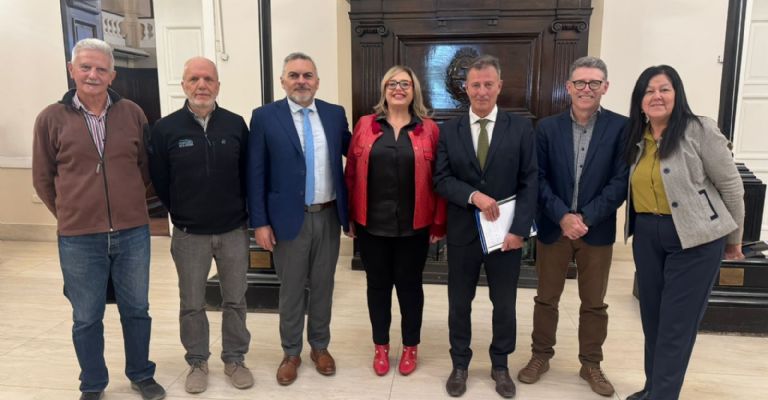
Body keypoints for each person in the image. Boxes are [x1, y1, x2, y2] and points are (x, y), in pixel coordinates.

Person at [31, 38, 165, 400]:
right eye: (86, 67)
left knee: (136, 309)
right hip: (79, 238)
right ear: (71, 70)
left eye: (101, 69)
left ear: (112, 75)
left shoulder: (132, 113)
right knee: (86, 316)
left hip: (132, 233)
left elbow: (145, 168)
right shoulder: (50, 118)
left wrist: (128, 203)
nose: (93, 74)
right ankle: (92, 383)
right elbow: (43, 178)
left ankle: (141, 373)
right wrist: (71, 214)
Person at [623, 65, 745, 400]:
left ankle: (663, 395)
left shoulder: (699, 130)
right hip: (647, 234)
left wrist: (734, 239)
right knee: (652, 319)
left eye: (664, 89)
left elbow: (732, 187)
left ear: (677, 94)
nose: (656, 96)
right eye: (649, 91)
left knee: (676, 324)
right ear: (639, 99)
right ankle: (653, 388)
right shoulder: (638, 136)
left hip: (696, 238)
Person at [517, 56, 628, 396]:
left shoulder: (621, 128)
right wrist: (563, 216)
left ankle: (591, 364)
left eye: (594, 82)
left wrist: (586, 218)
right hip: (555, 227)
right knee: (546, 299)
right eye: (580, 82)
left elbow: (621, 181)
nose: (586, 88)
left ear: (605, 87)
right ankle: (540, 356)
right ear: (568, 87)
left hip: (597, 230)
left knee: (594, 303)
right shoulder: (547, 128)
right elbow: (538, 178)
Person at [146, 57, 253, 393]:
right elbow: (160, 180)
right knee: (192, 302)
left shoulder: (235, 124)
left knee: (235, 299)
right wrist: (183, 211)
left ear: (218, 85)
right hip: (189, 234)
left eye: (208, 79)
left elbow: (247, 174)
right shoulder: (165, 129)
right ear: (184, 86)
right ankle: (197, 361)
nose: (201, 85)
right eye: (194, 79)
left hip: (233, 231)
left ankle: (234, 358)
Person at [434, 54, 537, 398]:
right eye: (475, 85)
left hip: (506, 236)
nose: (481, 91)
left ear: (499, 86)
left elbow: (530, 181)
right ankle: (460, 363)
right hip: (463, 233)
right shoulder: (449, 130)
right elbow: (441, 179)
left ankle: (500, 365)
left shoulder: (520, 128)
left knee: (504, 304)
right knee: (459, 303)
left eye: (488, 84)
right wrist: (473, 195)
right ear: (466, 88)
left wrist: (519, 230)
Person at [247, 52, 351, 386]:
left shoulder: (334, 115)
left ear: (317, 81)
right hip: (286, 220)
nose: (301, 81)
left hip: (328, 216)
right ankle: (291, 352)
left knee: (323, 286)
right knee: (291, 289)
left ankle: (319, 347)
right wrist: (260, 222)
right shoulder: (264, 117)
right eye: (294, 75)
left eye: (307, 75)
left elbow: (357, 155)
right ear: (283, 81)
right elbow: (255, 173)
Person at [345, 65, 446, 377]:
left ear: (414, 90)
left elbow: (440, 179)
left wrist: (438, 223)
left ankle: (411, 346)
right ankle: (381, 346)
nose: (398, 88)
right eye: (392, 83)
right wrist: (348, 217)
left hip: (415, 227)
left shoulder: (429, 129)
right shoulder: (365, 125)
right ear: (384, 89)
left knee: (410, 287)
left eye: (405, 83)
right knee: (377, 287)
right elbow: (351, 175)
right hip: (371, 225)